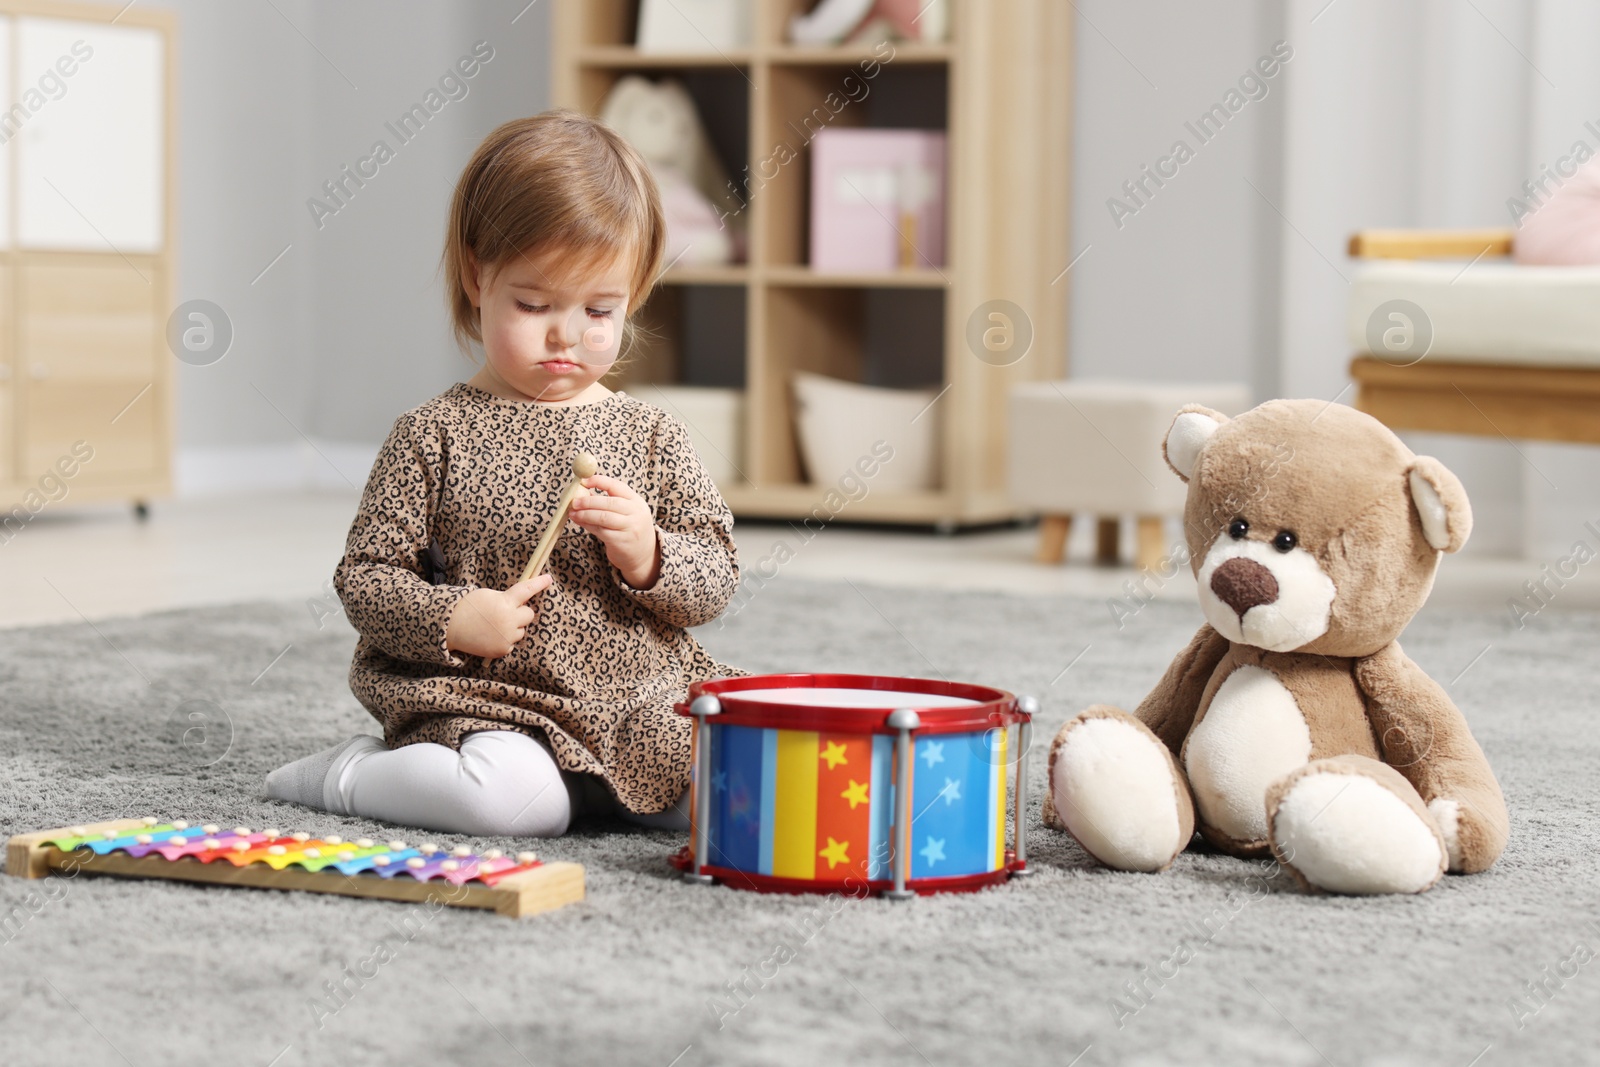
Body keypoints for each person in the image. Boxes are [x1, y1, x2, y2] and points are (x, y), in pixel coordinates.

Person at [264, 110, 742, 837]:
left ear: (634, 293)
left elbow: (715, 574)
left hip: (630, 705)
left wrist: (650, 555)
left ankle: (598, 790)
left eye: (599, 309)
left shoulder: (652, 434)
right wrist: (453, 617)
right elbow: (363, 577)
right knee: (517, 804)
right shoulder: (433, 433)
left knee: (734, 787)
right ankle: (350, 774)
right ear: (476, 275)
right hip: (492, 703)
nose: (566, 334)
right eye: (534, 303)